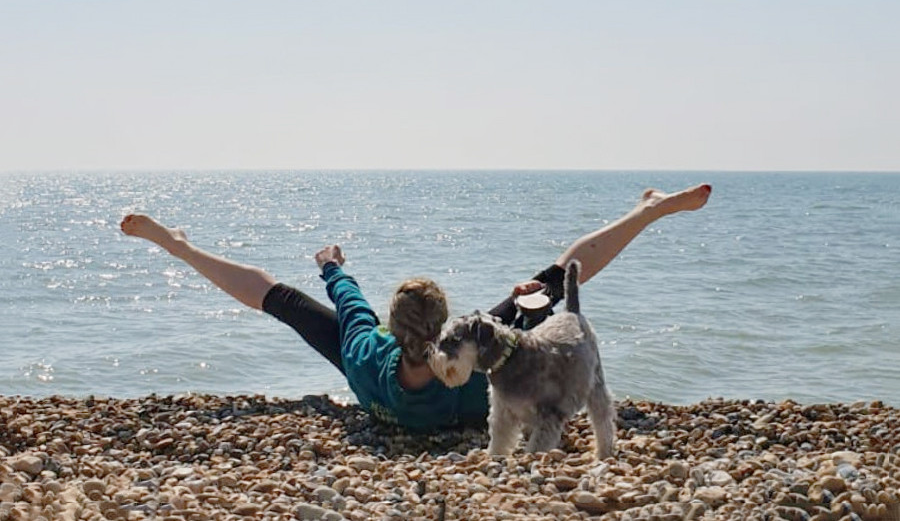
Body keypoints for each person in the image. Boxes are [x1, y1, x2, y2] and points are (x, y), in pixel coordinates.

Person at [120, 183, 711, 431]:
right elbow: (522, 348)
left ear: (392, 325)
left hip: (374, 382)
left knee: (285, 303)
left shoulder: (368, 351)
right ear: (449, 324)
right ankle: (648, 211)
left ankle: (178, 244)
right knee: (552, 280)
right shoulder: (479, 356)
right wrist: (529, 313)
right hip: (450, 358)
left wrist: (332, 266)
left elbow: (349, 306)